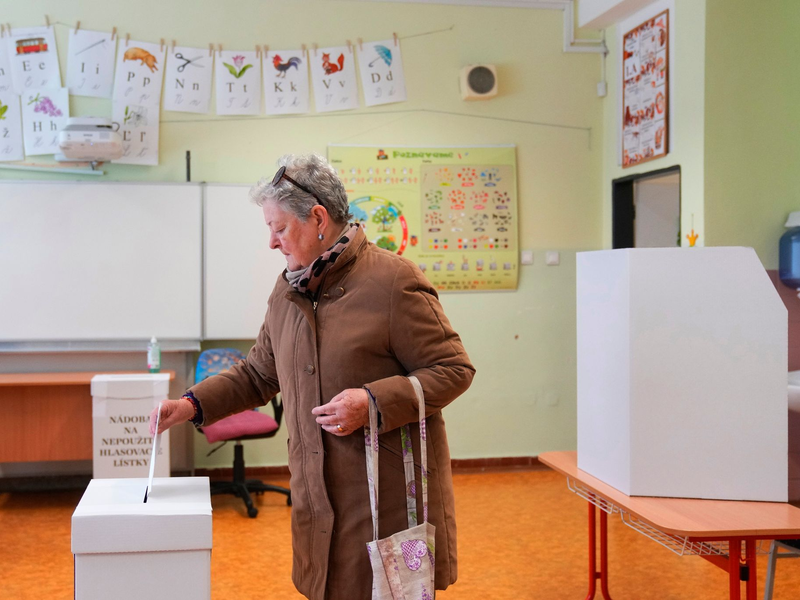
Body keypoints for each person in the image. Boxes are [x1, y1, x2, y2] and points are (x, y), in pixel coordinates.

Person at [151, 153, 475, 600]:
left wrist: (373, 402)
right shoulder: (288, 290)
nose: (271, 243)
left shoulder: (393, 282)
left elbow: (453, 369)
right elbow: (258, 374)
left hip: (385, 503)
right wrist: (189, 405)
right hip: (315, 500)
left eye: (279, 228)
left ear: (318, 218)